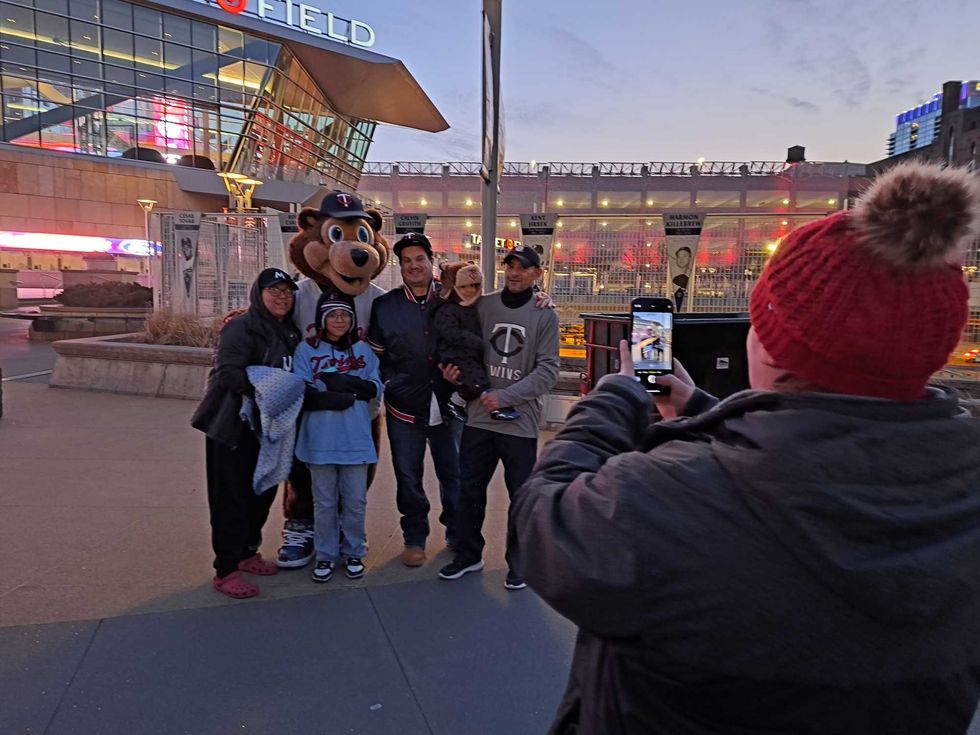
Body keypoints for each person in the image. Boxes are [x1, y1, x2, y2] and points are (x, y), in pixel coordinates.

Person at [510, 162, 980, 733]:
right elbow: (829, 463)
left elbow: (543, 520)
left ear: (775, 350)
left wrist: (617, 395)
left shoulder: (663, 501)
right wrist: (703, 413)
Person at [438, 244, 560, 589]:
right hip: (479, 417)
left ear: (537, 274)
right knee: (469, 489)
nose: (514, 273)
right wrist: (453, 372)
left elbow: (548, 371)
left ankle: (520, 563)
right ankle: (468, 555)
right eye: (510, 266)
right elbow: (454, 331)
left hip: (519, 422)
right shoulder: (483, 304)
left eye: (523, 268)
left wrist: (505, 396)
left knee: (520, 494)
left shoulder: (545, 315)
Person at [191, 267, 302, 599]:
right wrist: (273, 388)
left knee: (261, 491)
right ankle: (226, 569)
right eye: (274, 291)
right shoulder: (241, 327)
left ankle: (247, 551)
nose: (282, 297)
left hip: (267, 429)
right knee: (230, 498)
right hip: (233, 427)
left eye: (287, 292)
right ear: (259, 294)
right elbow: (228, 374)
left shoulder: (288, 330)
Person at [367, 233, 463, 567]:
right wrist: (390, 383)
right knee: (408, 476)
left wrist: (538, 297)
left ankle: (457, 532)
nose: (413, 266)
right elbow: (376, 356)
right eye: (406, 261)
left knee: (454, 473)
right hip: (403, 407)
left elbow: (488, 308)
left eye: (419, 259)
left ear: (431, 261)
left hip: (449, 403)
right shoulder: (385, 306)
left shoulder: (452, 299)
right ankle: (414, 537)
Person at [293, 294, 382, 583]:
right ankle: (325, 554)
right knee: (324, 502)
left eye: (344, 314)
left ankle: (354, 551)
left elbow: (374, 387)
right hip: (320, 440)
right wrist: (336, 396)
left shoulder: (363, 350)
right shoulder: (306, 350)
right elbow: (303, 390)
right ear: (321, 319)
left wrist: (345, 385)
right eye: (332, 315)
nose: (339, 320)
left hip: (356, 438)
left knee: (355, 501)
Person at [433, 262, 519, 423]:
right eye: (464, 286)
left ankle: (455, 403)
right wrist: (477, 341)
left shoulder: (478, 306)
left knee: (475, 381)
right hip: (456, 354)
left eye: (474, 285)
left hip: (471, 353)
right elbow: (449, 332)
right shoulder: (447, 310)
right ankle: (494, 407)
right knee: (478, 380)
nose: (470, 290)